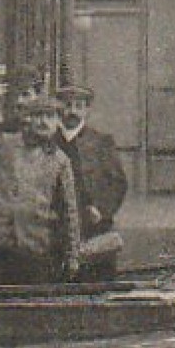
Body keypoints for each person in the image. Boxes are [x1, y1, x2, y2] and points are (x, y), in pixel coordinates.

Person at [0, 93, 82, 286]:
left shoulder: (61, 161)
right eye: (38, 116)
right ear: (29, 119)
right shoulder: (6, 143)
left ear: (58, 122)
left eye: (50, 117)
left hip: (34, 245)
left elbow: (70, 210)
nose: (43, 122)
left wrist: (73, 255)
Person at [56, 84, 128, 282]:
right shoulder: (49, 142)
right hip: (57, 227)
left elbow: (118, 183)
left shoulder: (101, 143)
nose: (72, 112)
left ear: (87, 110)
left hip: (94, 226)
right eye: (67, 105)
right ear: (58, 108)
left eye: (78, 106)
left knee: (97, 281)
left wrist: (102, 209)